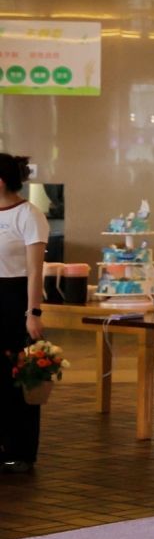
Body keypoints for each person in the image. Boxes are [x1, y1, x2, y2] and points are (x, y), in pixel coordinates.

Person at [0, 154, 49, 474]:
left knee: (18, 376)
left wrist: (33, 313)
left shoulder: (29, 215)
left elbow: (34, 272)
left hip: (15, 297)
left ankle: (21, 450)